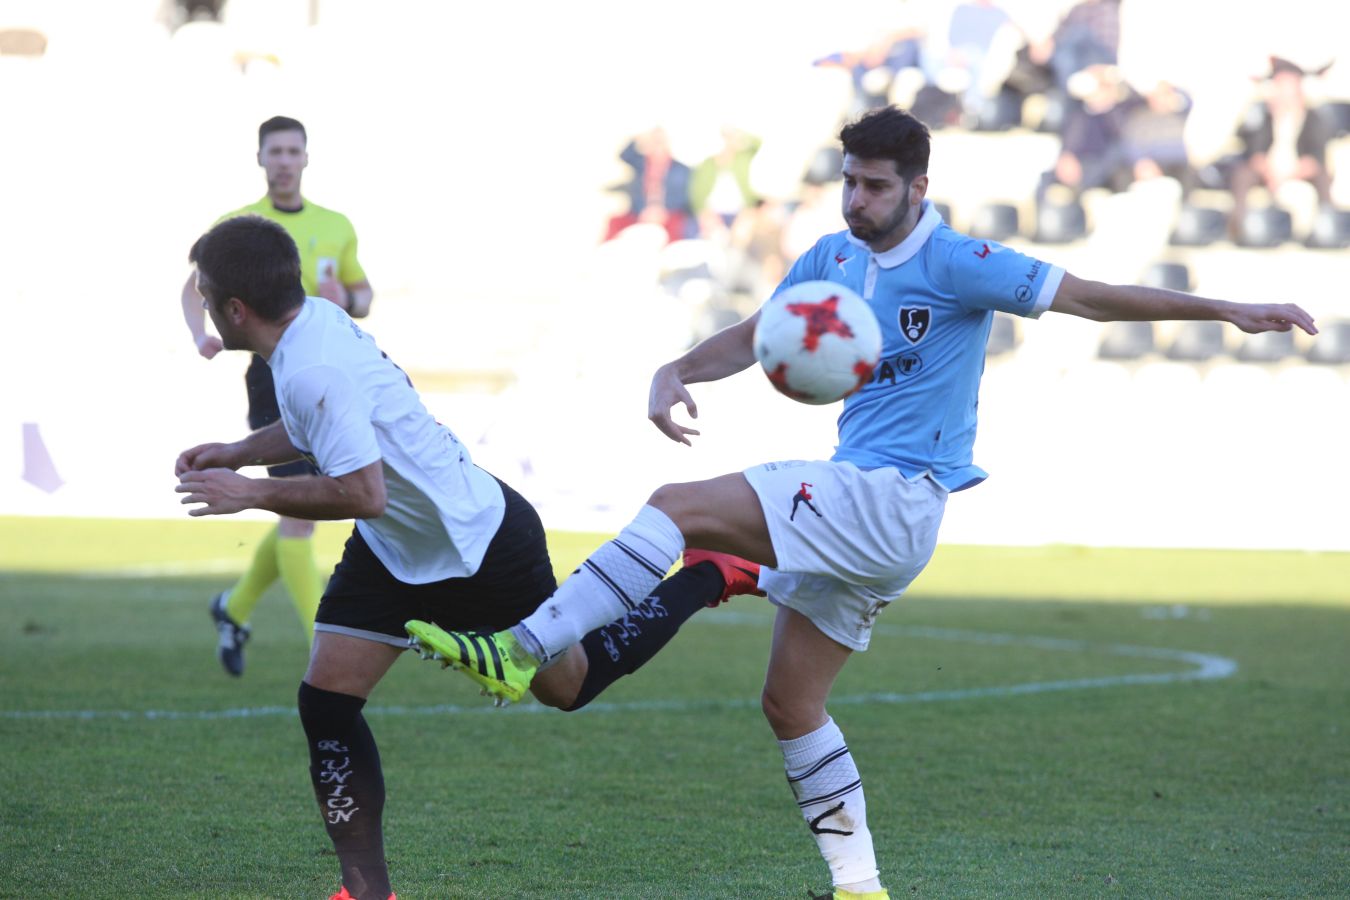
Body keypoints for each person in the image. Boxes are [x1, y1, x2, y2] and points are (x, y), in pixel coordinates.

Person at [409, 105, 1317, 899]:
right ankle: (861, 887)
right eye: (850, 182)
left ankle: (521, 648)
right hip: (866, 508)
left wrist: (1226, 309)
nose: (858, 201)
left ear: (919, 186)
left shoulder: (963, 262)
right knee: (791, 704)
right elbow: (761, 334)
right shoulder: (831, 254)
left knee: (675, 505)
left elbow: (1090, 299)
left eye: (876, 188)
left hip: (894, 496)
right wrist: (678, 368)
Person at [173, 214, 748, 900]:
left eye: (206, 295)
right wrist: (237, 452)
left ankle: (712, 572)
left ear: (237, 309)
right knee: (325, 702)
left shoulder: (310, 367)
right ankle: (365, 890)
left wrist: (249, 494)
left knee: (569, 685)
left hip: (479, 545)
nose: (202, 304)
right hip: (394, 553)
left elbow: (363, 491)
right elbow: (315, 429)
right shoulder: (311, 329)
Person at [179, 115, 374, 677]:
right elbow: (192, 288)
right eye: (275, 151)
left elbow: (363, 293)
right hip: (274, 374)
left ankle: (233, 607)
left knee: (299, 512)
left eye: (294, 151)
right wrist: (202, 334)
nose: (285, 160)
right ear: (260, 160)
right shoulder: (239, 226)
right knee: (298, 515)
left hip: (331, 372)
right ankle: (323, 635)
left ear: (306, 159)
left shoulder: (336, 225)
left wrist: (350, 299)